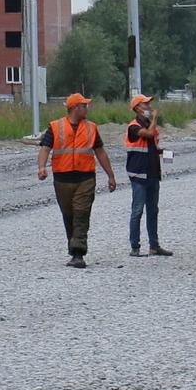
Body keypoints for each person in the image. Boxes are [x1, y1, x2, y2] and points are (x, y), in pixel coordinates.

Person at [37, 92, 118, 268]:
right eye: (84, 105)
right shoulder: (55, 127)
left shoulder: (91, 128)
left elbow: (101, 152)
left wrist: (110, 175)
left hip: (86, 178)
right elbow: (45, 148)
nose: (87, 108)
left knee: (81, 213)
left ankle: (78, 253)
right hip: (62, 180)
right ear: (74, 108)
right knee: (69, 215)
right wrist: (42, 167)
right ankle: (73, 248)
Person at [124, 94, 172, 257]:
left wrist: (165, 154)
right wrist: (155, 118)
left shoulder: (147, 124)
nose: (149, 108)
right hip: (139, 174)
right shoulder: (134, 126)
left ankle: (154, 246)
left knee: (153, 210)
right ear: (137, 108)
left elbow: (151, 145)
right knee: (137, 210)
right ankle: (135, 247)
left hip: (152, 173)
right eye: (146, 104)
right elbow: (149, 134)